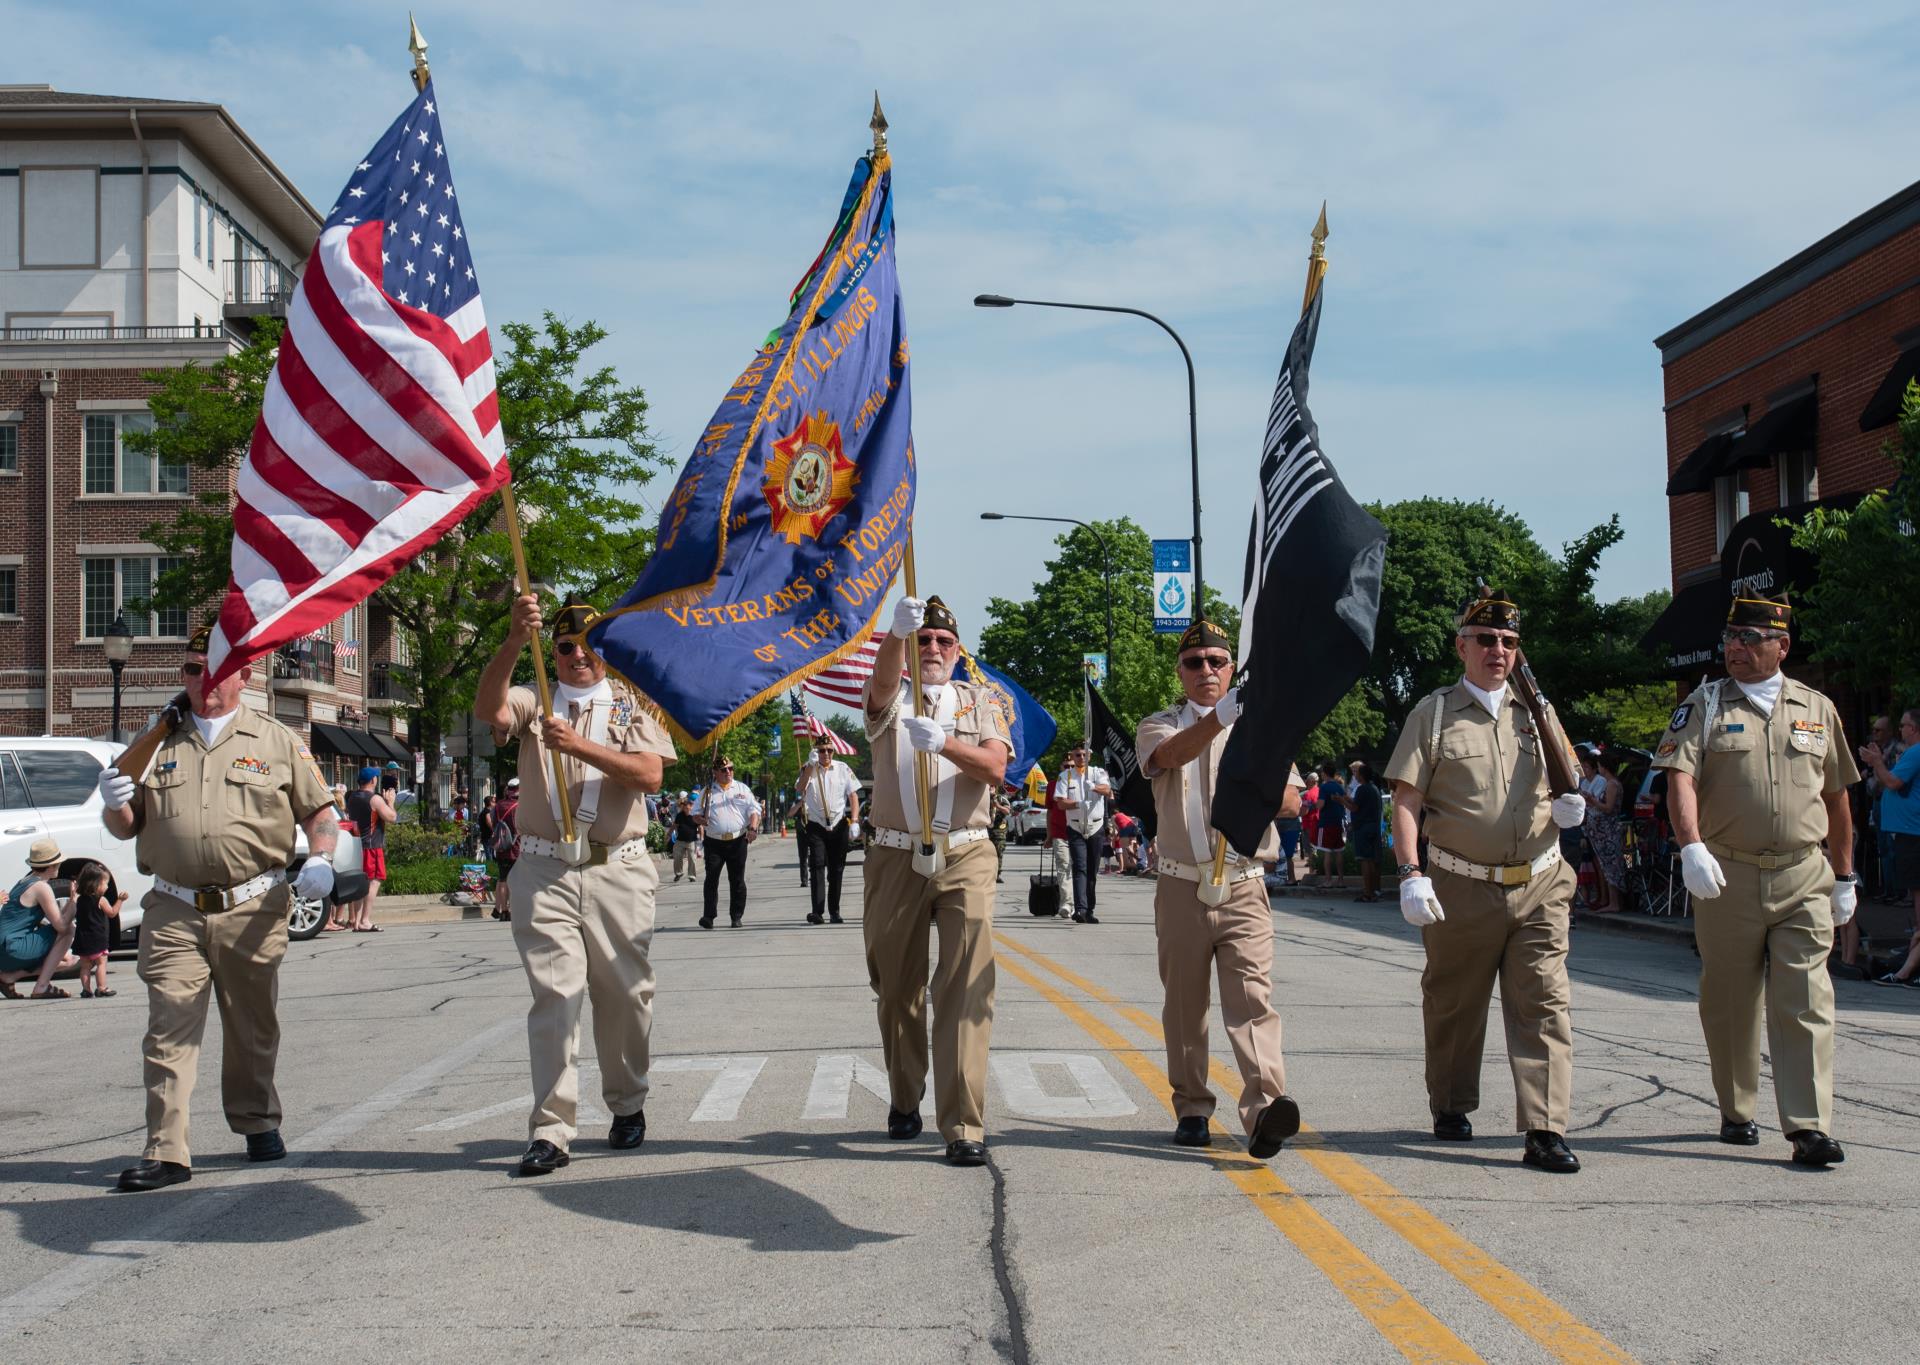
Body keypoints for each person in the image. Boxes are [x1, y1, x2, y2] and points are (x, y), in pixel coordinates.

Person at [96, 623, 339, 1192]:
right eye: (191, 669)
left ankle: (256, 1119)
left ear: (243, 676)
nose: (202, 680)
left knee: (252, 1025)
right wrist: (113, 805)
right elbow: (128, 826)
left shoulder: (276, 740)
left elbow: (319, 812)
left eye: (215, 669)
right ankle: (167, 1150)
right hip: (174, 906)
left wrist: (322, 857)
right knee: (168, 1027)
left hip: (252, 904)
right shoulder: (154, 743)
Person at [1385, 588, 1588, 1175]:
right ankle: (1451, 1104)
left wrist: (1572, 805)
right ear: (1462, 647)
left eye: (1508, 642)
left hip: (1542, 881)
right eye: (1486, 640)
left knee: (1545, 1004)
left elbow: (1569, 776)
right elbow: (1406, 799)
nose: (1498, 650)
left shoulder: (1539, 713)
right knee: (1454, 1004)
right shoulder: (1435, 713)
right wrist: (1410, 872)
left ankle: (1545, 1129)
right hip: (1460, 883)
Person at [475, 593, 676, 1178]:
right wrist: (515, 639)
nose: (577, 656)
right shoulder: (537, 696)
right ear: (553, 652)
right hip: (545, 869)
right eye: (565, 646)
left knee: (625, 996)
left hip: (617, 866)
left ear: (606, 653)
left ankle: (627, 1102)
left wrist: (580, 746)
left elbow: (650, 774)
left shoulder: (634, 702)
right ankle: (551, 1129)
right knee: (556, 997)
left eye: (589, 646)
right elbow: (491, 708)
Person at [1653, 595, 1858, 1167]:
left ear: (1781, 646)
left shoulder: (1816, 709)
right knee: (1730, 1001)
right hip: (1728, 876)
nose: (1735, 648)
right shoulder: (1705, 705)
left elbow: (1838, 797)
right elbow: (1680, 779)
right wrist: (1691, 846)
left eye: (1749, 637)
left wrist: (1845, 876)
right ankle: (1737, 1108)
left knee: (1805, 999)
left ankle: (1808, 1126)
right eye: (1731, 637)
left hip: (1803, 874)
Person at [1136, 620, 1306, 1158]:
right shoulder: (1159, 724)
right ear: (1180, 672)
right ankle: (1191, 1105)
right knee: (1185, 1004)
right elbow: (1168, 758)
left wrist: (1249, 763)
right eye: (1195, 663)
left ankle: (1264, 1110)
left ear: (1233, 669)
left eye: (1217, 662)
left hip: (1244, 883)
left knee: (1252, 1000)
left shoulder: (1261, 728)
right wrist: (1220, 720)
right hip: (1183, 885)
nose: (1207, 670)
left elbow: (1292, 802)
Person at [863, 594, 1012, 1167]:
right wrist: (892, 637)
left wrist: (946, 742)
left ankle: (964, 1124)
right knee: (897, 987)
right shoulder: (889, 697)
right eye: (921, 640)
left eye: (942, 642)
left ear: (957, 651)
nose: (931, 649)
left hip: (966, 853)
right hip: (895, 854)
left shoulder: (982, 702)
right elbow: (878, 688)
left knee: (966, 985)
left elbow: (997, 767)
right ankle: (905, 1095)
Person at [1858, 709, 1920, 985]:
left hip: (1913, 833)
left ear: (1915, 729)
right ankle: (1910, 963)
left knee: (1918, 901)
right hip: (1908, 833)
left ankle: (1910, 968)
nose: (1901, 730)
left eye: (1905, 725)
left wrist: (1877, 763)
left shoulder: (1916, 752)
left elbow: (1893, 782)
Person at [794, 736, 861, 924]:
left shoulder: (843, 769)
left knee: (836, 870)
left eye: (829, 750)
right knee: (816, 866)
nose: (826, 754)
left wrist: (854, 820)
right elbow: (800, 788)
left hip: (838, 823)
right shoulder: (810, 768)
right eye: (822, 750)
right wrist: (809, 766)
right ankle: (817, 911)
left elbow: (853, 795)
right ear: (816, 751)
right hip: (816, 824)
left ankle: (834, 911)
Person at [0, 840, 77, 1000]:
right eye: (58, 863)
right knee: (70, 929)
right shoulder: (41, 887)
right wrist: (73, 900)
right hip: (12, 949)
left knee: (67, 960)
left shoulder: (24, 881)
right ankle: (41, 987)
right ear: (51, 866)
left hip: (5, 949)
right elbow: (62, 926)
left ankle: (9, 976)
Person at [698, 757, 761, 928]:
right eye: (724, 769)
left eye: (730, 769)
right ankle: (708, 917)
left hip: (738, 840)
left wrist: (753, 829)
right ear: (715, 772)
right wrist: (700, 819)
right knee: (711, 878)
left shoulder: (742, 788)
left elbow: (754, 810)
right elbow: (695, 814)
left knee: (737, 880)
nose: (728, 772)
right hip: (714, 841)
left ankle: (736, 916)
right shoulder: (707, 791)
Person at [1055, 742, 1113, 924]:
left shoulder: (1098, 773)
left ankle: (1090, 909)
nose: (1080, 758)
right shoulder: (1066, 776)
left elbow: (1107, 790)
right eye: (1077, 755)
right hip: (1075, 826)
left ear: (1089, 755)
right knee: (1080, 867)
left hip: (1095, 826)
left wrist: (1093, 787)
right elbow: (1060, 803)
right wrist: (1077, 804)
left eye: (1083, 754)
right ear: (1072, 755)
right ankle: (1080, 909)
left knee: (1092, 870)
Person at [343, 767, 397, 933]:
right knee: (374, 882)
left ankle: (357, 921)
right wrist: (390, 803)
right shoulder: (374, 799)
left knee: (360, 884)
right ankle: (365, 920)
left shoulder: (352, 797)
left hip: (356, 845)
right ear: (373, 780)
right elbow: (392, 817)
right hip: (372, 845)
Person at [1576, 747, 1626, 912]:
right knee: (1607, 866)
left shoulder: (1611, 784)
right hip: (1603, 830)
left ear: (1604, 766)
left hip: (1607, 831)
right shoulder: (1613, 783)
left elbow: (1608, 808)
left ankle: (1614, 903)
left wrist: (1592, 800)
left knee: (1610, 866)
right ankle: (1612, 901)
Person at [70, 861, 126, 998]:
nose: (107, 886)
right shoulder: (101, 900)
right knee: (101, 964)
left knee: (85, 966)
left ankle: (86, 990)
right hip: (97, 938)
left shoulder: (80, 900)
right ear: (97, 884)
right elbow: (112, 913)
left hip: (82, 939)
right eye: (105, 883)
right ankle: (101, 988)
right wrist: (120, 900)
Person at [1347, 762, 1384, 903]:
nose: (1355, 775)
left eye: (1356, 773)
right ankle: (1375, 891)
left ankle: (1368, 893)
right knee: (1373, 861)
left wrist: (1342, 801)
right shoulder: (1374, 788)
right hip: (1373, 827)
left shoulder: (1362, 789)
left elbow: (1355, 808)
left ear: (1361, 775)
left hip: (1363, 828)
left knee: (1365, 861)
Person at [1312, 763, 1348, 888]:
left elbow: (1320, 805)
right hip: (1338, 822)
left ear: (1325, 774)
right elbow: (1346, 800)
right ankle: (1341, 880)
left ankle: (1328, 880)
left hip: (1326, 823)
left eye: (1322, 772)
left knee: (1327, 852)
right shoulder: (1339, 786)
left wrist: (1314, 805)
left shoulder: (1324, 787)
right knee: (1339, 852)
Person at [490, 779, 521, 922]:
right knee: (517, 880)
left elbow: (494, 824)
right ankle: (514, 909)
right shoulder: (519, 806)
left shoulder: (497, 806)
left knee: (503, 878)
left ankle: (503, 910)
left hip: (501, 846)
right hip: (516, 847)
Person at [671, 795, 701, 883]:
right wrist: (669, 834)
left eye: (687, 807)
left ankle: (692, 876)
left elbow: (700, 827)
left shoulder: (694, 815)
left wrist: (701, 839)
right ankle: (678, 873)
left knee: (692, 858)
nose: (685, 808)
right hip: (680, 840)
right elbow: (675, 825)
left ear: (690, 806)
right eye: (683, 807)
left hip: (691, 841)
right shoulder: (679, 815)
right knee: (677, 857)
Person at [988, 788, 1011, 883]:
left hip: (998, 830)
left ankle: (997, 874)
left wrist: (997, 806)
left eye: (992, 786)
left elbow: (1007, 811)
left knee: (999, 851)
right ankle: (987, 874)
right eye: (989, 786)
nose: (990, 788)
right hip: (985, 829)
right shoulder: (981, 797)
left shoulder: (1001, 799)